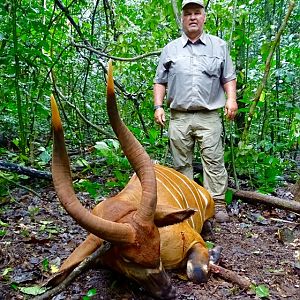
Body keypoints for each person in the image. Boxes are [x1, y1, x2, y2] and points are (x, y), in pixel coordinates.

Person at [153, 0, 238, 223]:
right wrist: (158, 106)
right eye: (188, 13)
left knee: (213, 160)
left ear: (204, 17)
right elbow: (160, 81)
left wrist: (231, 99)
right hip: (179, 116)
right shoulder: (170, 49)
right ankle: (187, 205)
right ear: (182, 18)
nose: (192, 17)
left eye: (197, 13)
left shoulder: (219, 46)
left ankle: (217, 203)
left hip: (209, 115)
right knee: (181, 162)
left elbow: (228, 77)